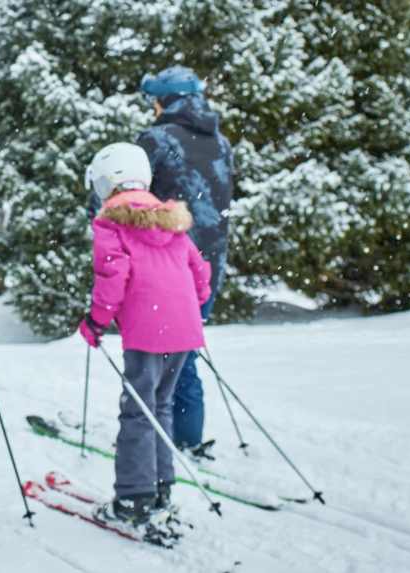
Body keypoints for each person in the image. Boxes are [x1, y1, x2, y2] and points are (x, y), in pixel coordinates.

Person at [78, 142, 212, 541]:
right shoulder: (170, 220)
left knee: (138, 412)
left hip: (146, 330)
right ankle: (159, 490)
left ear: (105, 183)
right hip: (183, 329)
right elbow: (199, 274)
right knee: (160, 407)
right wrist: (187, 305)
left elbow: (111, 281)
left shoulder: (110, 224)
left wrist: (96, 322)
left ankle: (133, 500)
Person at [136, 66, 234, 456]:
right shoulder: (221, 143)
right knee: (184, 352)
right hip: (210, 267)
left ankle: (166, 440)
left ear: (165, 99)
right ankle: (185, 434)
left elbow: (129, 195)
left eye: (153, 100)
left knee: (163, 361)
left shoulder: (156, 140)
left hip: (167, 266)